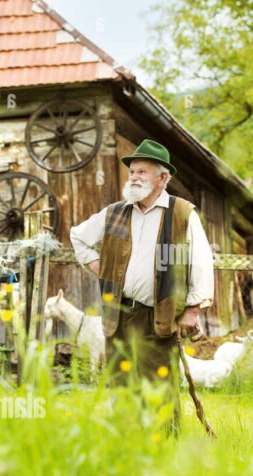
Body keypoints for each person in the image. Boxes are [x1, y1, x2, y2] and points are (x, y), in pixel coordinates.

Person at [70, 139, 214, 436]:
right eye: (132, 171)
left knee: (160, 386)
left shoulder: (182, 213)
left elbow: (201, 262)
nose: (133, 176)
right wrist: (100, 267)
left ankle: (166, 449)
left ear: (163, 178)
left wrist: (193, 309)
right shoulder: (116, 212)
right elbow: (78, 237)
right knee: (122, 385)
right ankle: (128, 445)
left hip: (158, 316)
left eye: (142, 172)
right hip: (118, 315)